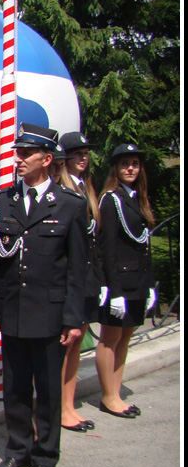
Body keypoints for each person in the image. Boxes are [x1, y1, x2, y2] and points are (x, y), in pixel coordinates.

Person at [0, 123, 88, 467]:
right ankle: (17, 449)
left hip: (49, 312)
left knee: (47, 389)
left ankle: (45, 457)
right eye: (18, 152)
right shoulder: (4, 201)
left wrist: (73, 318)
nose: (19, 159)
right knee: (13, 387)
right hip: (12, 310)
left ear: (47, 159)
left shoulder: (70, 206)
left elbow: (77, 268)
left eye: (27, 153)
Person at [95, 143, 156, 419]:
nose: (130, 168)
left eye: (134, 164)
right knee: (111, 338)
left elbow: (144, 246)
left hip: (138, 282)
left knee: (126, 338)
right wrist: (114, 290)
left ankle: (116, 393)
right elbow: (106, 248)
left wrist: (151, 285)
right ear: (115, 169)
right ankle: (108, 397)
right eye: (124, 164)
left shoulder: (137, 198)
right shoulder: (112, 199)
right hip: (120, 281)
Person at [60, 131, 105, 432]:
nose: (83, 158)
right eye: (76, 154)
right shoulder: (64, 192)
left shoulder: (85, 190)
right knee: (66, 345)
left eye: (85, 153)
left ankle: (69, 403)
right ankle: (61, 407)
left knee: (78, 343)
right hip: (66, 280)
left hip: (86, 277)